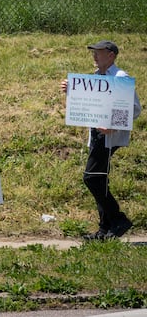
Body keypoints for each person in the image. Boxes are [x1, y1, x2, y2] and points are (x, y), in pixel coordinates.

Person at [60, 40, 141, 241]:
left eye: (99, 52)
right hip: (97, 135)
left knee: (91, 178)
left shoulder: (121, 77)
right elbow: (90, 104)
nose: (94, 56)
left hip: (109, 137)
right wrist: (70, 91)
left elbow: (135, 108)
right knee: (100, 180)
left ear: (111, 55)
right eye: (93, 52)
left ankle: (119, 219)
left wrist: (113, 126)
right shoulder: (96, 77)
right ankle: (105, 230)